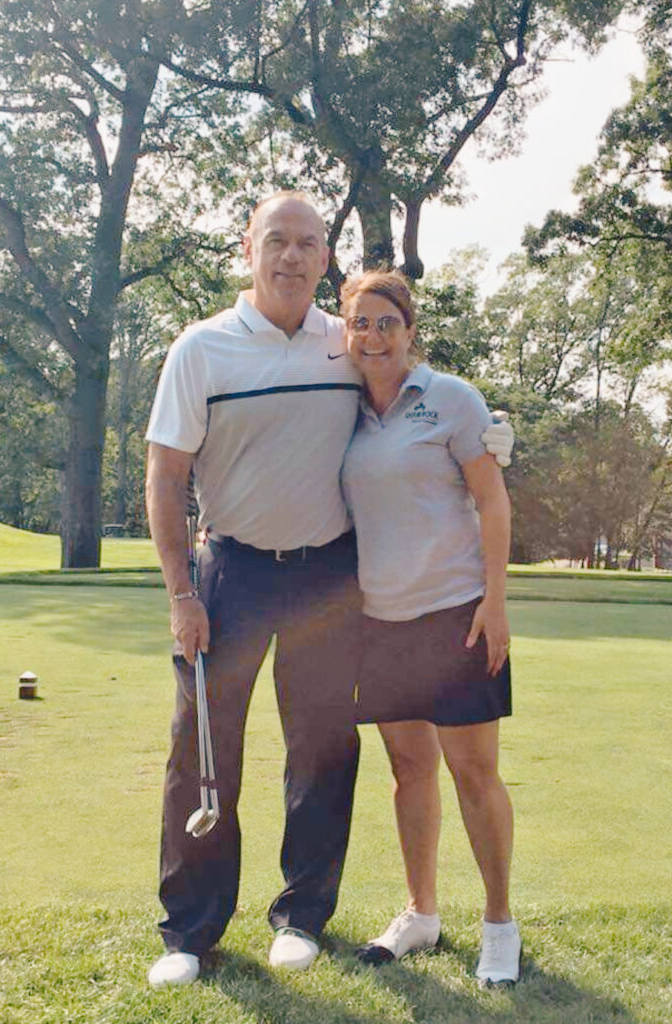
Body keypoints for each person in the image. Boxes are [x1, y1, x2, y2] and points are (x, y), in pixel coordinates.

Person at [144, 192, 515, 988]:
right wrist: (181, 592)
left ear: (324, 257)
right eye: (275, 241)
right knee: (203, 749)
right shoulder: (200, 348)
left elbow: (417, 394)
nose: (290, 256)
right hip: (232, 568)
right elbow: (165, 473)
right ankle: (190, 931)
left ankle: (301, 914)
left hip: (325, 575)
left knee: (320, 748)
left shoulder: (344, 344)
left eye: (307, 243)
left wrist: (491, 433)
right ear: (248, 247)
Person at [339, 270, 521, 985]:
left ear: (410, 330)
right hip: (380, 621)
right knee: (408, 770)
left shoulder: (450, 398)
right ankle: (420, 912)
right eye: (359, 323)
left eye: (387, 322)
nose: (373, 336)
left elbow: (493, 503)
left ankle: (498, 922)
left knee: (473, 773)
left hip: (457, 614)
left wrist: (495, 600)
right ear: (344, 331)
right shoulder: (341, 408)